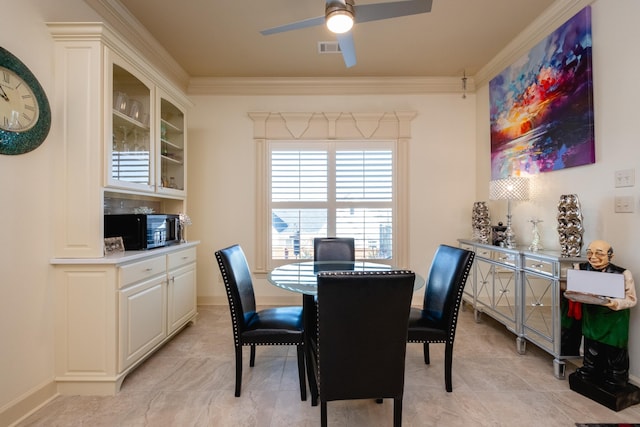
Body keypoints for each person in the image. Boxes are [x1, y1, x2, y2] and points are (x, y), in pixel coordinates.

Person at [571, 240, 637, 390]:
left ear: (610, 255)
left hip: (614, 319)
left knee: (615, 349)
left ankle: (617, 375)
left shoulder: (623, 274)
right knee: (591, 344)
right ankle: (591, 368)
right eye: (589, 253)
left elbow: (631, 299)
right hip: (592, 316)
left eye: (599, 254)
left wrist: (614, 303)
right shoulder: (580, 269)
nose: (593, 257)